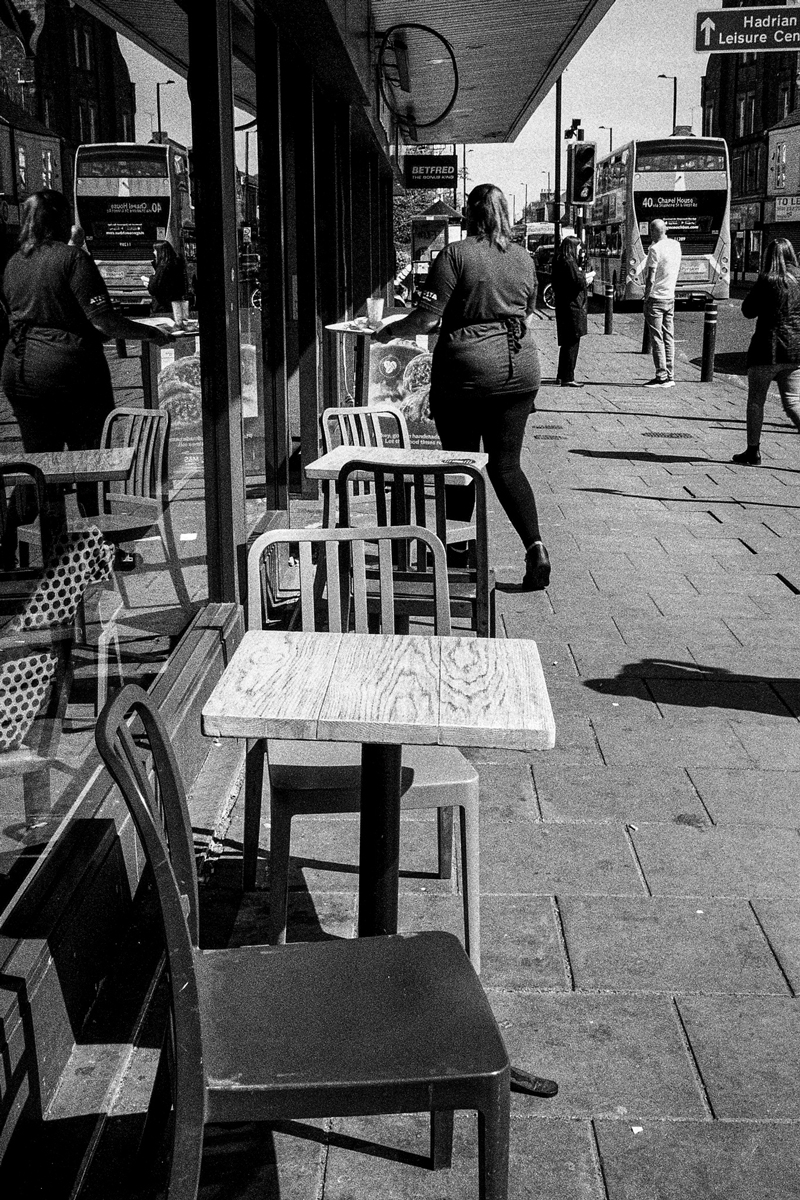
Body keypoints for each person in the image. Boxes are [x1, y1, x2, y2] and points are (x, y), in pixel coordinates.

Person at [373, 182, 549, 590]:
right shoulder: (524, 257)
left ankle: (455, 554)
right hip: (519, 370)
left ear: (471, 213)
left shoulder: (456, 254)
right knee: (506, 465)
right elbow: (528, 307)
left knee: (461, 466)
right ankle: (536, 546)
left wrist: (387, 332)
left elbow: (426, 320)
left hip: (467, 375)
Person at [1, 189, 173, 530]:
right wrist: (150, 333)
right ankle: (96, 540)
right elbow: (102, 320)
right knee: (92, 458)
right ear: (61, 219)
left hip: (21, 372)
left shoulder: (14, 261)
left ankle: (14, 535)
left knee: (37, 461)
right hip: (71, 373)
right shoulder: (72, 259)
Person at [732, 236, 800, 466]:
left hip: (766, 350)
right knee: (793, 403)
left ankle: (753, 452)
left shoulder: (767, 280)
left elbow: (748, 310)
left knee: (756, 401)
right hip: (794, 352)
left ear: (769, 257)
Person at [642, 218, 682, 388]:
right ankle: (670, 375)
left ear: (653, 232)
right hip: (670, 297)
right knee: (669, 337)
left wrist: (646, 296)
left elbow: (650, 277)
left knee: (657, 337)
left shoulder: (654, 249)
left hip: (656, 298)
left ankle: (661, 376)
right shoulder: (676, 245)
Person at [552, 236, 589, 387]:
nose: (580, 249)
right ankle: (568, 377)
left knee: (566, 341)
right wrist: (587, 279)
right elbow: (577, 282)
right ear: (573, 247)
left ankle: (561, 375)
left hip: (563, 305)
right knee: (573, 341)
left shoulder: (559, 259)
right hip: (573, 306)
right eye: (578, 246)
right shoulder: (569, 262)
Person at [148, 239, 189, 326]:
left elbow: (153, 288)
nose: (154, 253)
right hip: (176, 305)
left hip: (163, 307)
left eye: (155, 250)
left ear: (160, 252)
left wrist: (151, 279)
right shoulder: (177, 264)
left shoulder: (163, 267)